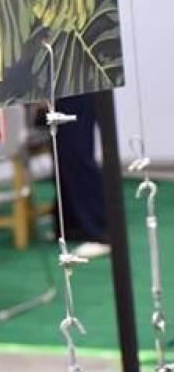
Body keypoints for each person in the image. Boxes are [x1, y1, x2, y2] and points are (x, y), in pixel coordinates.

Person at [54, 94, 110, 259]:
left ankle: (99, 232)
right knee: (64, 155)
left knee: (77, 154)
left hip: (75, 88)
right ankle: (73, 226)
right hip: (63, 90)